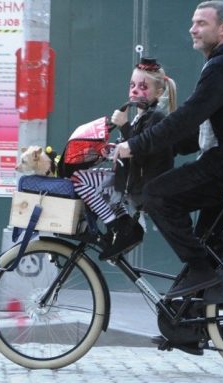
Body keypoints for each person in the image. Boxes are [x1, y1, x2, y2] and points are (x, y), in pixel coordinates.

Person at [113, 1, 223, 299]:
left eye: (201, 23)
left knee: (157, 195)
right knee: (207, 246)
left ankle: (200, 270)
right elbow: (193, 135)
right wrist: (155, 144)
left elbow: (188, 116)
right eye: (193, 22)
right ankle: (189, 328)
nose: (192, 29)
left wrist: (135, 145)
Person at [70, 57, 178, 259]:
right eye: (132, 85)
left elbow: (142, 149)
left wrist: (124, 126)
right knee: (97, 183)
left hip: (141, 186)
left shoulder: (156, 118)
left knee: (79, 179)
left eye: (143, 86)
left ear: (159, 92)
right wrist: (109, 150)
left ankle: (117, 225)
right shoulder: (142, 117)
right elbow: (129, 148)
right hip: (129, 180)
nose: (135, 90)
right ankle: (125, 228)